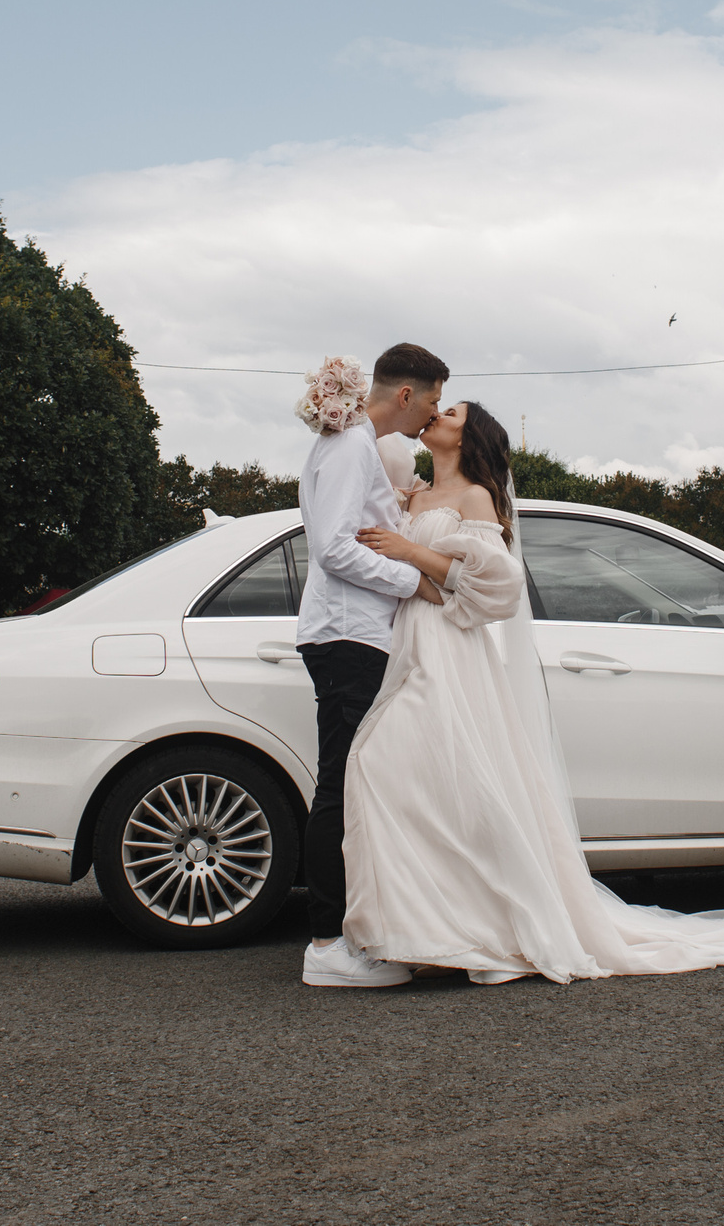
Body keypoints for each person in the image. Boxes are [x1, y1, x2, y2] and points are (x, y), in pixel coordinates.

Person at [342, 400, 724, 986]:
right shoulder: (413, 496)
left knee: (422, 774)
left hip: (450, 653)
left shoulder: (476, 498)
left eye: (453, 413)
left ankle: (469, 928)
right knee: (413, 781)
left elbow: (494, 591)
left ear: (470, 438)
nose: (438, 414)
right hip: (409, 643)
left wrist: (412, 551)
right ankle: (432, 927)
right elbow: (414, 570)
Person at [294, 344, 449, 989]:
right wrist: (413, 581)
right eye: (432, 401)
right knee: (339, 786)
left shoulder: (355, 446)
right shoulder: (352, 447)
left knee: (352, 783)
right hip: (346, 634)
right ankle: (327, 945)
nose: (433, 415)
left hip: (352, 633)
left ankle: (347, 933)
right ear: (405, 395)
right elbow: (333, 549)